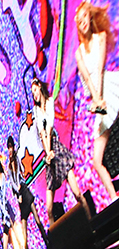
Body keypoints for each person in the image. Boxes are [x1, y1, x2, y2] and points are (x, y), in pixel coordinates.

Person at [75, 1, 119, 203]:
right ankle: (113, 199)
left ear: (90, 18)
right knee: (96, 160)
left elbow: (100, 71)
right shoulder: (78, 53)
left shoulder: (100, 38)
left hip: (109, 89)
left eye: (85, 18)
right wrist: (95, 100)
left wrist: (100, 99)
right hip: (99, 100)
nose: (83, 22)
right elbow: (88, 80)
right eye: (79, 20)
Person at [31, 77, 88, 223]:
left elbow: (49, 128)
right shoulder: (36, 111)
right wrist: (47, 154)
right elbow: (42, 133)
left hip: (56, 150)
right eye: (32, 93)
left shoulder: (49, 103)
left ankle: (91, 221)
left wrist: (50, 150)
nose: (35, 95)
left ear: (40, 87)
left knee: (77, 194)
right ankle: (56, 242)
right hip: (48, 155)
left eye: (35, 90)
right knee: (49, 208)